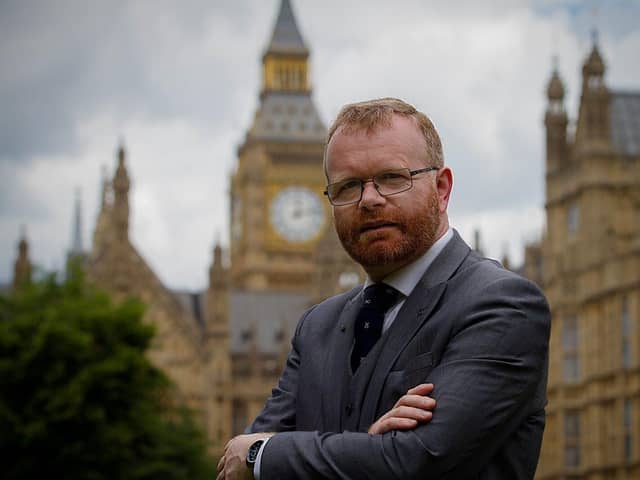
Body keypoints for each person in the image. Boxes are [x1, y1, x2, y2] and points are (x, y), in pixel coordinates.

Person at [217, 97, 551, 480]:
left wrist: (266, 457)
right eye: (348, 186)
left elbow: (416, 461)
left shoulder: (502, 305)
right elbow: (233, 469)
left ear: (441, 189)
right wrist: (370, 448)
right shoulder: (317, 326)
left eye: (393, 178)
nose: (369, 199)